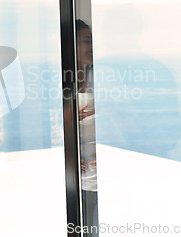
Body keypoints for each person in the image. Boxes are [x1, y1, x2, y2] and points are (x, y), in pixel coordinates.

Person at [76, 19, 99, 236]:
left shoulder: (100, 79)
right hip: (77, 177)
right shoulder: (66, 83)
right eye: (86, 40)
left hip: (98, 177)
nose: (92, 46)